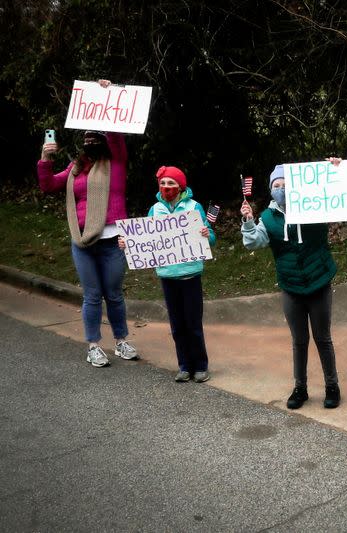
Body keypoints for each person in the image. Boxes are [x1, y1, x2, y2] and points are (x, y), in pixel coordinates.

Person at [37, 79, 138, 368]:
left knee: (114, 295)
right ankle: (94, 346)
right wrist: (45, 159)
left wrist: (105, 95)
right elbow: (47, 185)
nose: (90, 142)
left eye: (96, 137)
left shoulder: (116, 161)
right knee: (92, 295)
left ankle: (120, 341)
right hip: (82, 241)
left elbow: (116, 132)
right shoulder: (75, 168)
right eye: (86, 138)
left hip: (113, 240)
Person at [240, 161, 341, 409]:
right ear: (271, 189)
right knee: (299, 340)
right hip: (291, 286)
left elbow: (338, 198)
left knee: (323, 338)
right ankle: (300, 387)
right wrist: (249, 222)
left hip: (318, 281)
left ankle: (332, 386)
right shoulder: (267, 217)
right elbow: (254, 243)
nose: (281, 189)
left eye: (286, 185)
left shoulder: (315, 207)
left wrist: (335, 172)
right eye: (277, 185)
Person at [120, 166, 216, 383]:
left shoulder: (194, 207)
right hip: (168, 276)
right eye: (163, 184)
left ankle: (200, 366)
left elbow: (210, 237)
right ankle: (183, 365)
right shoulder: (155, 209)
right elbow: (145, 239)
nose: (166, 187)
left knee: (193, 324)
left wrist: (205, 234)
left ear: (181, 186)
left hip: (190, 275)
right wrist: (128, 243)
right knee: (177, 325)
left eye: (171, 184)